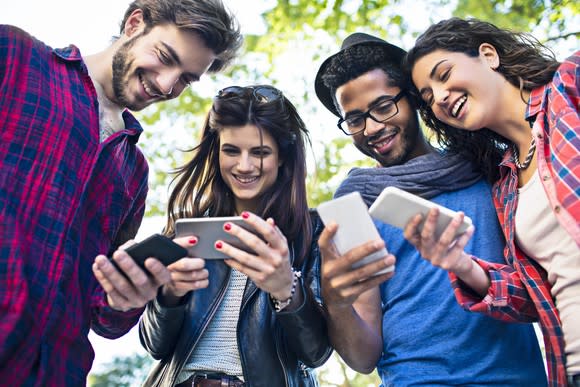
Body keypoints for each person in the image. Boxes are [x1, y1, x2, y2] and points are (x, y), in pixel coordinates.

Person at [0, 1, 242, 385]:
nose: (166, 85)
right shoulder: (15, 56)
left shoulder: (134, 170)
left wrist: (128, 297)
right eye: (165, 57)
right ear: (134, 24)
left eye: (185, 79)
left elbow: (105, 318)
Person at [314, 32, 548, 386]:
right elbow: (363, 357)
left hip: (518, 377)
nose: (372, 128)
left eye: (382, 107)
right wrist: (334, 299)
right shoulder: (350, 205)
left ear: (413, 100)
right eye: (356, 119)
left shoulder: (487, 167)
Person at [405, 17, 579, 387]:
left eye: (444, 74)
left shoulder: (569, 86)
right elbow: (537, 298)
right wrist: (462, 265)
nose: (440, 97)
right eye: (428, 97)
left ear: (488, 56)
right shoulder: (504, 185)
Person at [139, 84, 332, 386]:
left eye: (260, 152)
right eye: (231, 150)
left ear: (282, 157)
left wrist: (286, 290)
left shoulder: (311, 233)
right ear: (216, 152)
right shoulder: (188, 226)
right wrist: (170, 294)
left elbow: (316, 353)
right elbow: (154, 345)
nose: (244, 166)